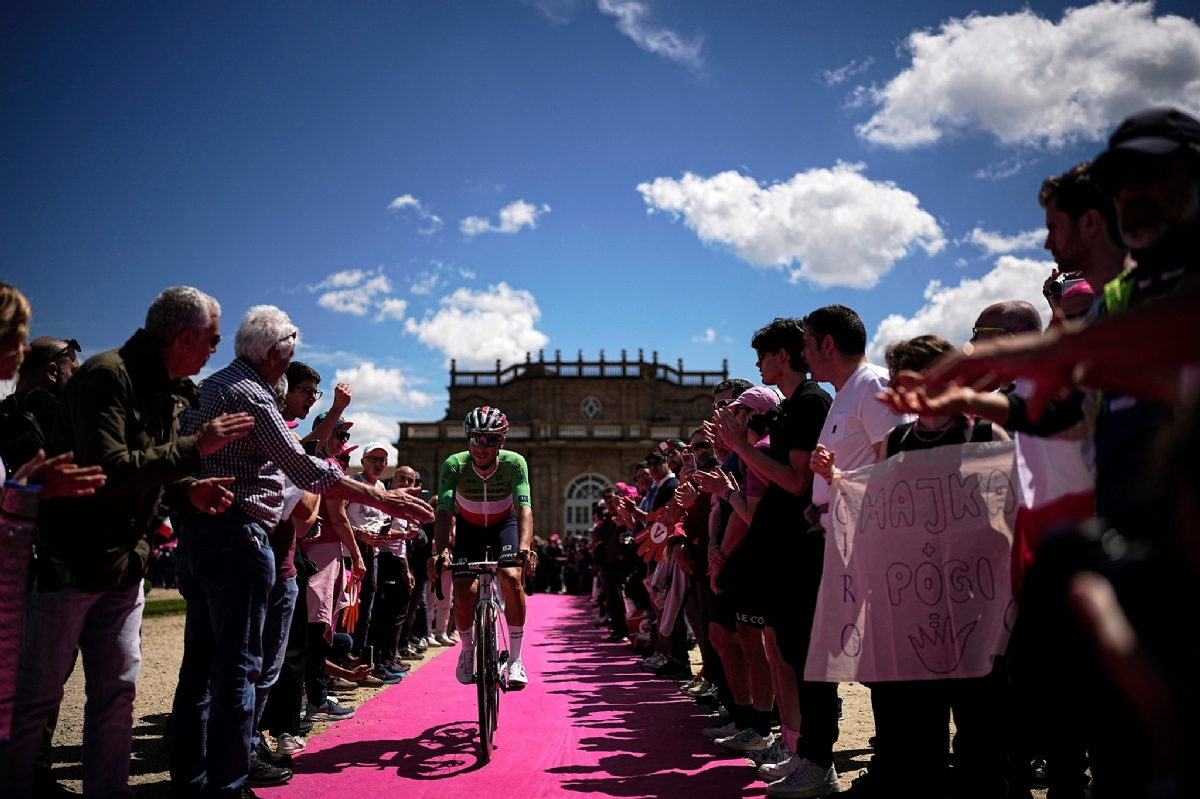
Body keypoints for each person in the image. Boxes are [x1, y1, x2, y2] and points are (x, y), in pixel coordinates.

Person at [168, 305, 433, 799]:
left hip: (196, 539)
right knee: (240, 670)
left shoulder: (206, 389)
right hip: (238, 537)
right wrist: (381, 496)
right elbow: (306, 467)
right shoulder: (252, 395)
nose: (286, 367)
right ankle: (227, 784)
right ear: (270, 353)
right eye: (287, 357)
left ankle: (189, 780)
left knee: (198, 671)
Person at [4, 287, 251, 799]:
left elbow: (145, 474)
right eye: (211, 340)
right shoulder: (107, 376)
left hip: (123, 566)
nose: (214, 351)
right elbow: (107, 471)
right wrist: (196, 449)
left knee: (116, 696)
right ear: (184, 337)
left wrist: (187, 491)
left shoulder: (166, 388)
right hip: (72, 563)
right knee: (39, 699)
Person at [813, 335, 1011, 798]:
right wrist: (837, 480)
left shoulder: (983, 433)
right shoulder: (900, 439)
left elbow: (1007, 510)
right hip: (917, 605)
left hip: (974, 603)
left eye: (913, 378)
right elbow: (880, 500)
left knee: (982, 727)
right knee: (918, 729)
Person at [794, 304, 912, 799]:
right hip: (837, 539)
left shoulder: (872, 386)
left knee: (880, 661)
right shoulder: (843, 396)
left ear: (827, 344)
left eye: (806, 343)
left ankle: (894, 769)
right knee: (855, 658)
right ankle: (861, 763)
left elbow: (897, 463)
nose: (802, 353)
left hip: (868, 542)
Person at [711, 318, 833, 783]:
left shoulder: (809, 402)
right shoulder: (793, 408)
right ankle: (803, 751)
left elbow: (797, 481)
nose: (758, 365)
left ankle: (817, 760)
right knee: (789, 654)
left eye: (762, 356)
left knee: (801, 659)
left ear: (781, 355)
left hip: (801, 550)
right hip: (782, 551)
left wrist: (740, 446)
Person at [428, 407, 536, 689]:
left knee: (511, 578)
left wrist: (524, 547)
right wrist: (441, 551)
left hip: (504, 525)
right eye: (475, 439)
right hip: (469, 528)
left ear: (501, 442)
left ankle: (515, 659)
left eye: (489, 440)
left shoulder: (514, 463)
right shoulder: (454, 464)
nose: (481, 447)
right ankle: (466, 649)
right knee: (465, 594)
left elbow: (524, 507)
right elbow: (443, 511)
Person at [0, 336, 80, 474]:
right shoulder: (47, 406)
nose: (78, 381)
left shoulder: (5, 410)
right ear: (52, 372)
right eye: (73, 372)